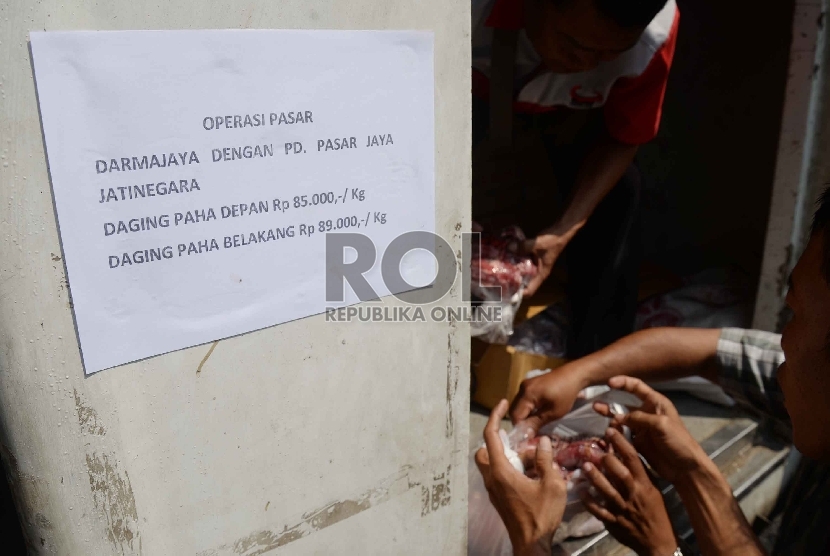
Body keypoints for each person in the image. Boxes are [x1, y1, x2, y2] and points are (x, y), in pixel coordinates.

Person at [475, 189, 830, 554]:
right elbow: (707, 351)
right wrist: (579, 374)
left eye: (798, 314)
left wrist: (533, 537)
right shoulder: (814, 380)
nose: (782, 342)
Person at [471, 0, 679, 357]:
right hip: (465, 97)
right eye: (573, 43)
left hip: (564, 117)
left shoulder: (655, 34)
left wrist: (564, 229)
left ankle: (591, 373)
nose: (584, 63)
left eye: (608, 54)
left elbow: (625, 138)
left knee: (621, 196)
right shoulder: (465, 9)